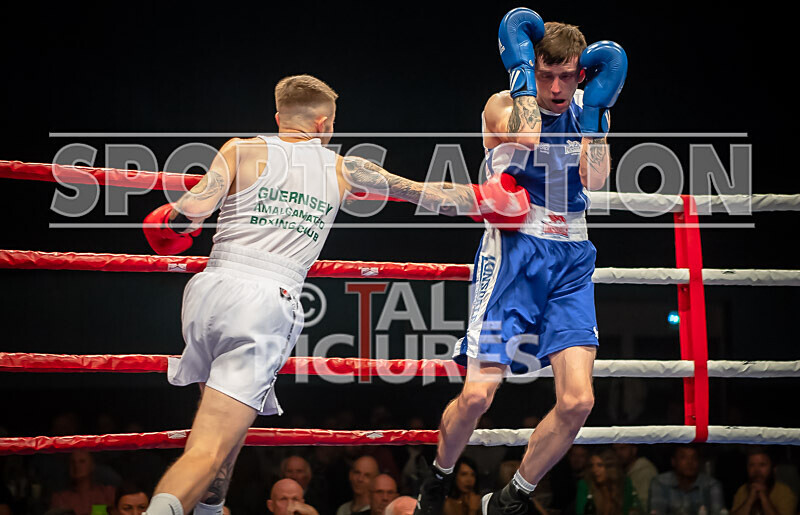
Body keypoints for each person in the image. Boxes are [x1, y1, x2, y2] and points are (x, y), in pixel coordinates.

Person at [141, 74, 499, 515]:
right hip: (265, 302)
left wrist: (169, 223)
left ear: (278, 117)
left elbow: (188, 213)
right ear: (324, 123)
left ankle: (209, 509)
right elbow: (428, 195)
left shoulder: (241, 149)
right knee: (208, 447)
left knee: (220, 434)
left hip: (208, 291)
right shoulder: (343, 168)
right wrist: (492, 199)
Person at [415, 7, 627, 515]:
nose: (556, 87)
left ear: (582, 74)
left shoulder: (590, 106)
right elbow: (528, 137)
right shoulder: (502, 104)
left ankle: (512, 497)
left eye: (567, 76)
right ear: (530, 66)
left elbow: (596, 180)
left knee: (578, 401)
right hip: (514, 250)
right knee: (477, 397)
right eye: (546, 74)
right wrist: (522, 75)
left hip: (572, 255)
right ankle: (438, 479)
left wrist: (594, 120)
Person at [649, 445, 724, 515]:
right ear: (673, 461)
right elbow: (656, 512)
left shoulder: (711, 485)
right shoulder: (660, 482)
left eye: (694, 458)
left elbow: (718, 512)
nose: (689, 462)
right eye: (683, 457)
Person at [731, 448, 797, 515]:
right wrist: (750, 499)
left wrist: (764, 498)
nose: (756, 470)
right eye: (751, 465)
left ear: (773, 469)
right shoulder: (742, 491)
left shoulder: (785, 492)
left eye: (762, 465)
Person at [50, 451, 116, 515]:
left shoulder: (107, 493)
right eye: (72, 462)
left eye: (82, 461)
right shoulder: (60, 498)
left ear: (92, 465)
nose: (76, 466)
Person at [575, 449, 638, 515]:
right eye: (592, 465)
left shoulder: (625, 483)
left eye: (599, 465)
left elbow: (634, 509)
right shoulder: (585, 485)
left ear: (610, 467)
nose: (594, 470)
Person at [613, 444, 658, 509]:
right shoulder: (621, 472)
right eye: (615, 450)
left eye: (622, 448)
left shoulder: (645, 471)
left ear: (634, 450)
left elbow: (644, 505)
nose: (618, 453)